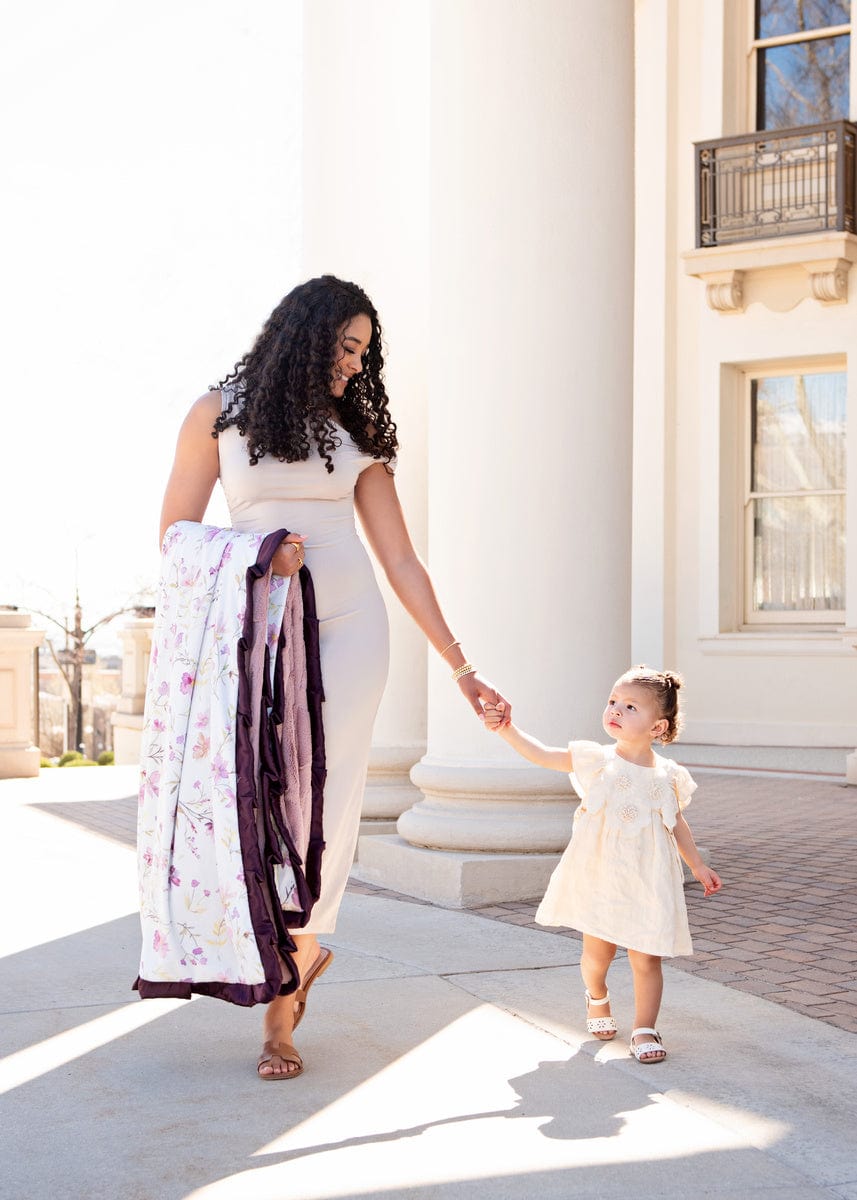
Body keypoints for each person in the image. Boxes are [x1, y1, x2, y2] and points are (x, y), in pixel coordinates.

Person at [159, 274, 510, 1079]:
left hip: (350, 633)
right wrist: (258, 555)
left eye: (363, 353)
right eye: (346, 347)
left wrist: (462, 669)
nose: (356, 365)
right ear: (304, 336)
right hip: (253, 634)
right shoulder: (217, 414)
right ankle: (285, 953)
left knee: (325, 800)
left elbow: (401, 561)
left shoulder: (354, 429)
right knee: (258, 797)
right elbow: (174, 532)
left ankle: (283, 1004)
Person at [483, 666, 721, 1063]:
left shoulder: (668, 775)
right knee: (598, 954)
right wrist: (507, 729)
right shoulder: (596, 759)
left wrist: (696, 865)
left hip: (649, 878)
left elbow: (676, 821)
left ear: (657, 727)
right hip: (602, 874)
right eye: (613, 701)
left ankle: (645, 1028)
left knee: (647, 956)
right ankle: (597, 995)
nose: (615, 710)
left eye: (630, 707)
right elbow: (543, 755)